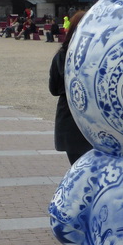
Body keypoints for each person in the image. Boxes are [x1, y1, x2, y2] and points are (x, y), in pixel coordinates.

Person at [50, 11, 92, 164]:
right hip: (95, 119)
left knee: (78, 167)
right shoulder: (97, 54)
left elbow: (53, 89)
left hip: (69, 117)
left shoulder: (62, 55)